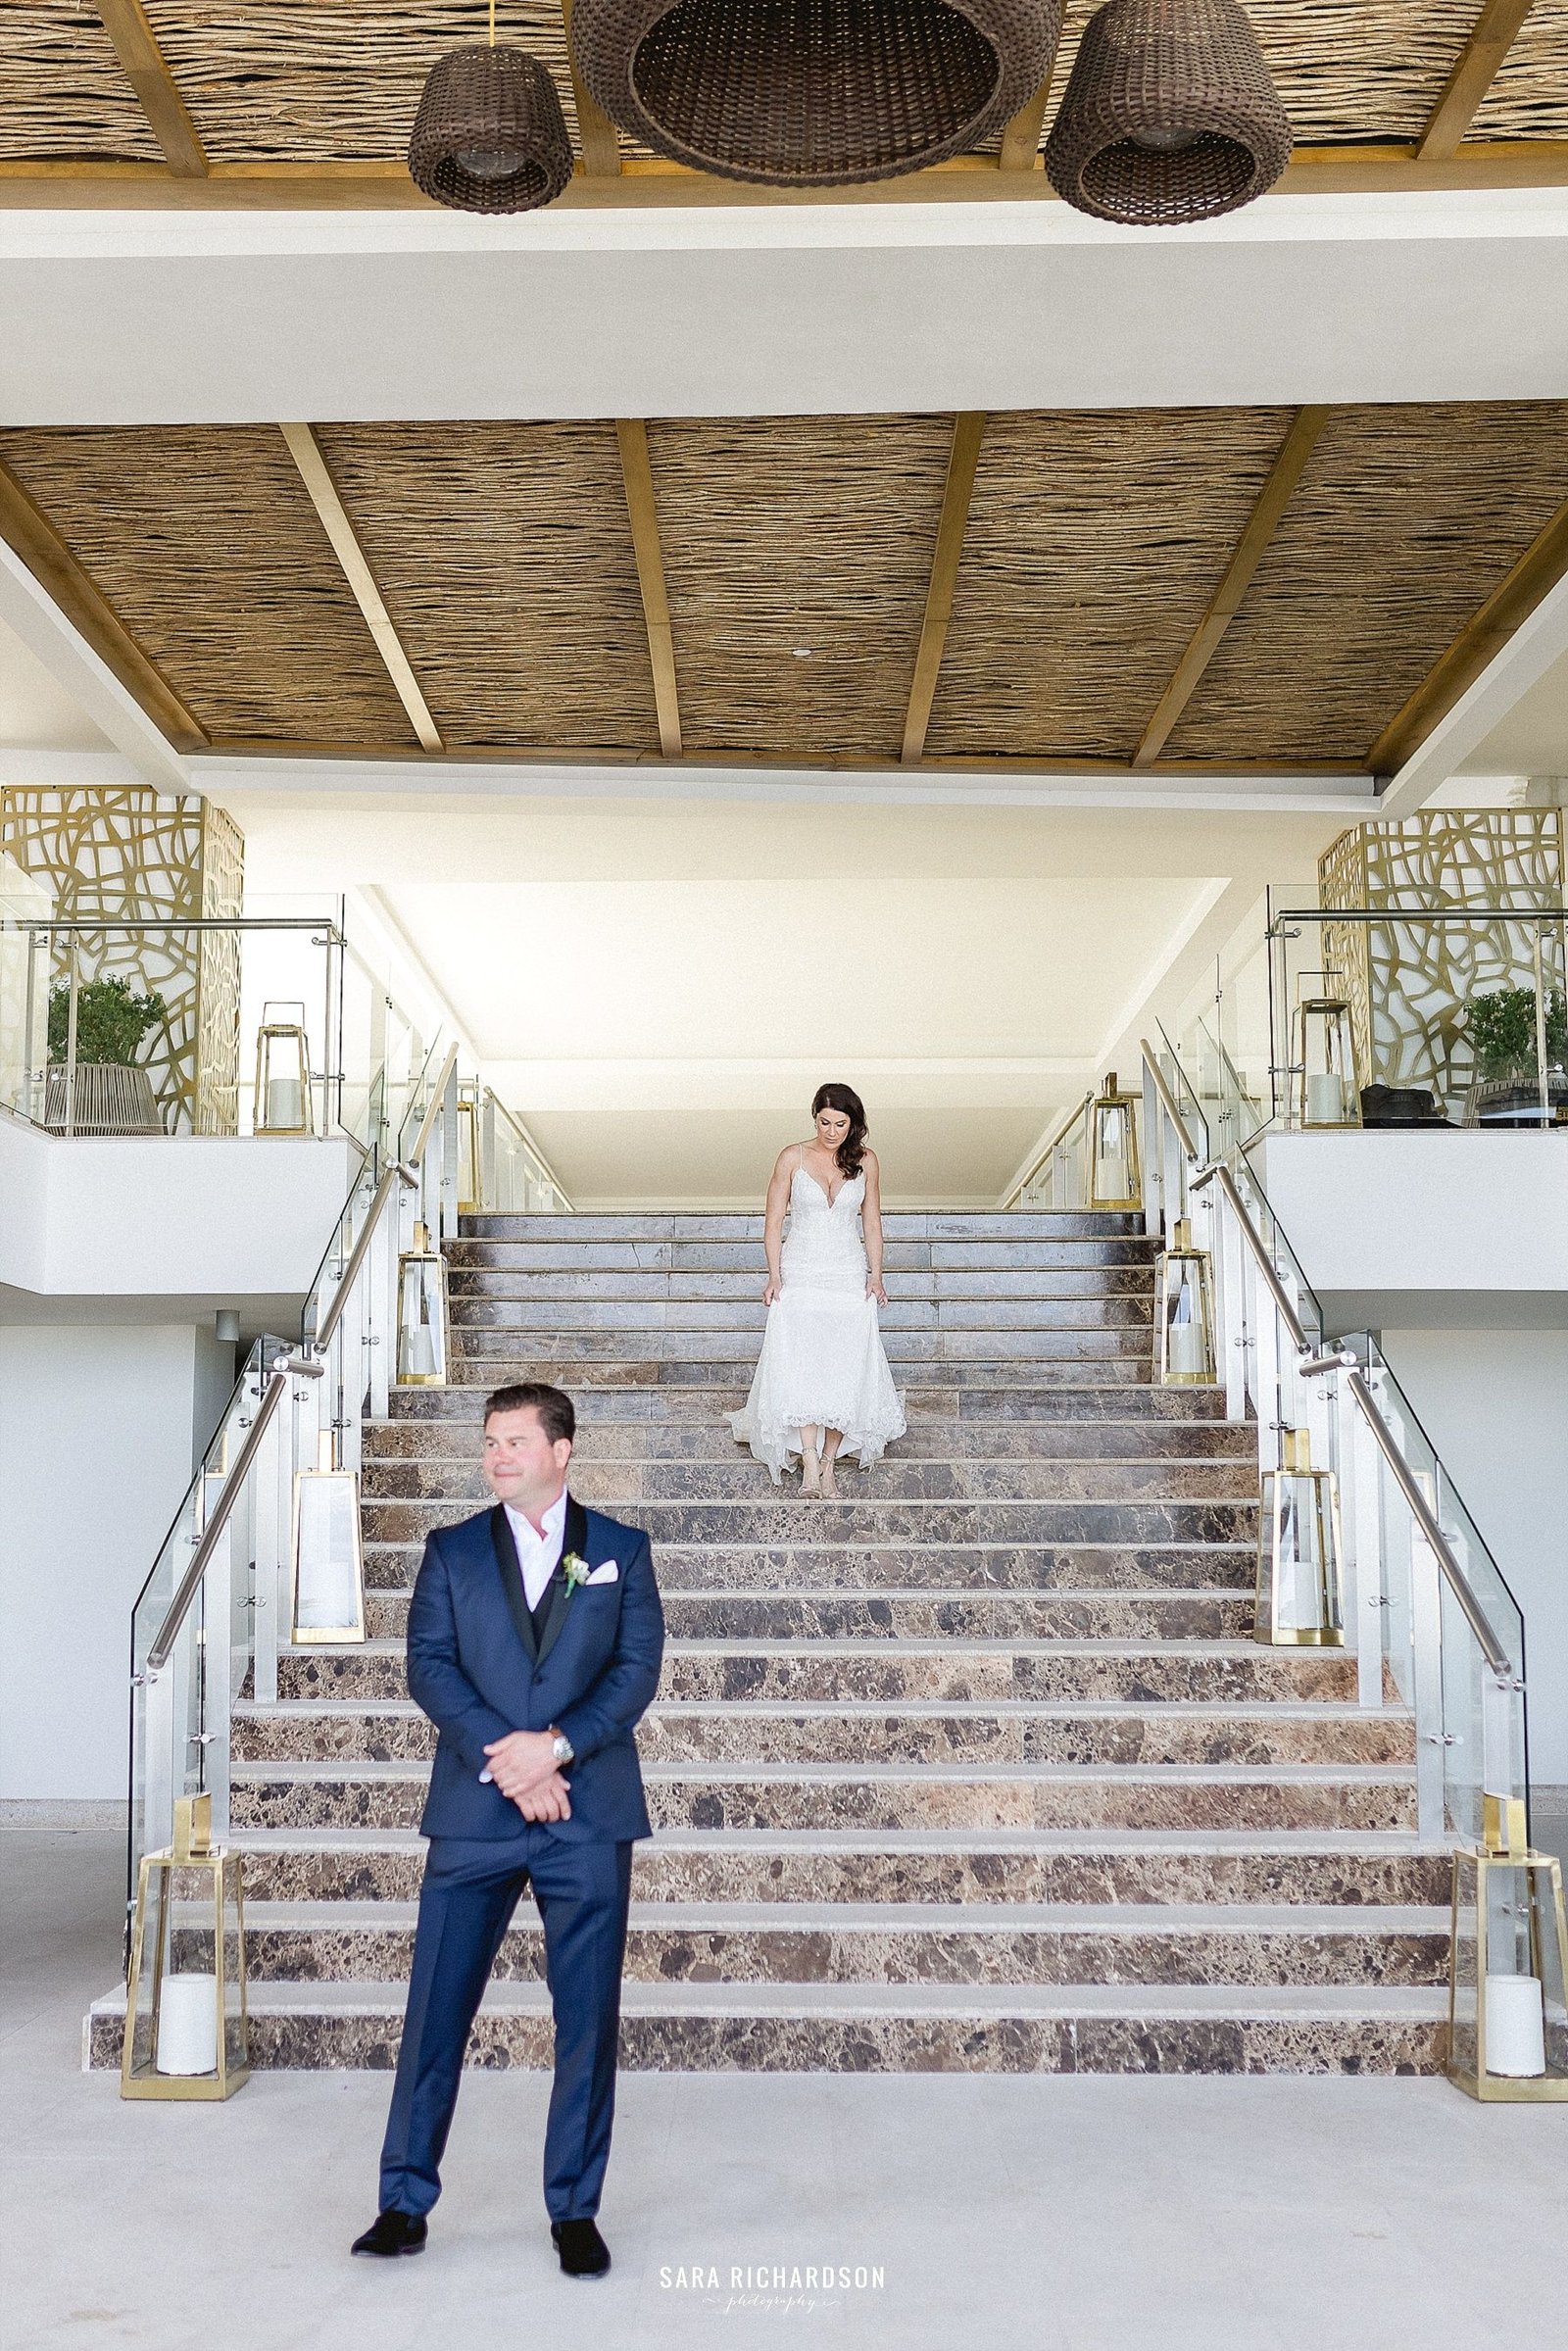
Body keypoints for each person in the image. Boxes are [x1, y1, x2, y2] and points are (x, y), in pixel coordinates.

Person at [351, 1380, 663, 2279]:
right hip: (476, 1811)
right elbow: (429, 1666)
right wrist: (511, 1758)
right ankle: (404, 2201)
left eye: (515, 1441)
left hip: (587, 1811)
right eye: (490, 1441)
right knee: (434, 2013)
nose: (497, 1456)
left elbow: (635, 1670)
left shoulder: (620, 1551)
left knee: (586, 2021)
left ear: (562, 1449)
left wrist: (558, 1747)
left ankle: (574, 2209)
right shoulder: (450, 1550)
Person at [729, 1081, 906, 1495]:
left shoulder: (867, 1162)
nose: (831, 1131)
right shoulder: (792, 1156)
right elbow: (773, 1221)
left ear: (853, 1123)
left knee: (842, 1366)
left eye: (840, 1123)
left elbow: (872, 1223)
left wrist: (875, 1275)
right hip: (802, 1271)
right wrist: (774, 1275)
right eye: (824, 1122)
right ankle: (808, 1460)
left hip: (846, 1273)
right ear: (815, 1119)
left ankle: (829, 1462)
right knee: (803, 1363)